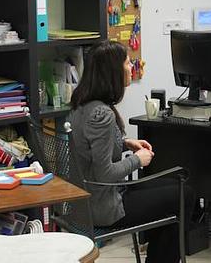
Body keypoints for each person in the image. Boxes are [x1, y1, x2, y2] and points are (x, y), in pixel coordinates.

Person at [68, 40, 194, 263]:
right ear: (113, 72)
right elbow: (105, 173)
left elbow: (92, 147)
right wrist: (137, 159)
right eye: (127, 64)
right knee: (185, 194)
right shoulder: (102, 114)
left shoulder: (82, 104)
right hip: (104, 207)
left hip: (85, 202)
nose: (130, 68)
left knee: (174, 188)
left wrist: (126, 143)